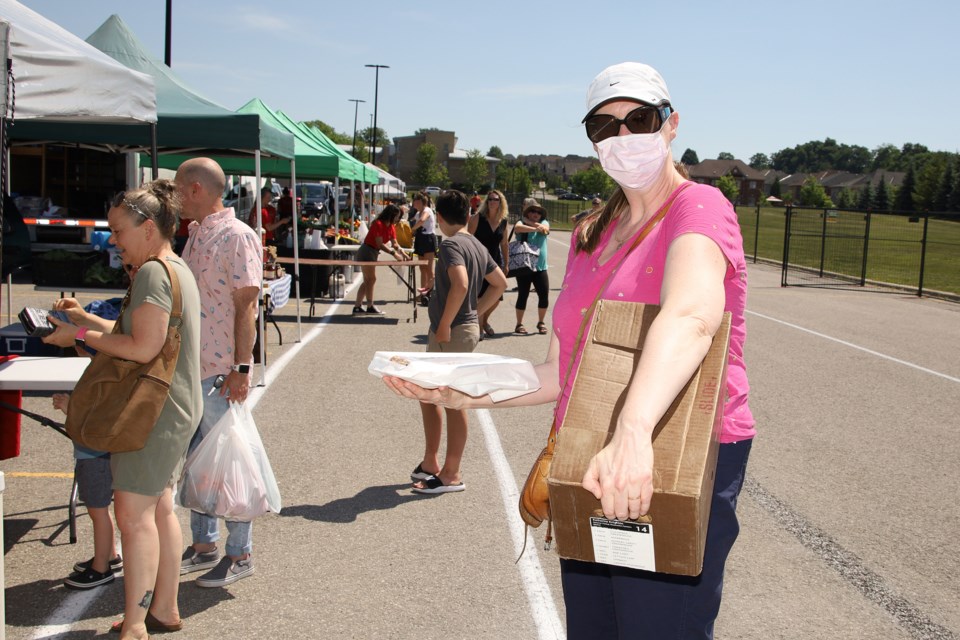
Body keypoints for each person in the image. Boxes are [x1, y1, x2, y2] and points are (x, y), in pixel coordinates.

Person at [383, 61, 754, 639]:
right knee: (595, 628)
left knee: (658, 630)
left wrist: (631, 435)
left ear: (671, 124)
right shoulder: (592, 234)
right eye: (605, 127)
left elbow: (691, 316)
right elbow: (560, 374)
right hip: (590, 454)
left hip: (668, 451)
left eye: (640, 119)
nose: (624, 137)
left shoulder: (698, 207)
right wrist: (457, 385)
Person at [43, 180, 202, 639]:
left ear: (148, 228)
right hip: (171, 410)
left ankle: (135, 625)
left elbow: (142, 345)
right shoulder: (175, 267)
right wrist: (87, 322)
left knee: (133, 519)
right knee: (159, 512)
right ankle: (163, 610)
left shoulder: (153, 272)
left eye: (118, 231)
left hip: (150, 413)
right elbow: (139, 332)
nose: (114, 241)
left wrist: (76, 337)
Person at [175, 157, 263, 588]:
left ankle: (240, 551)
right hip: (195, 368)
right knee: (199, 462)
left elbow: (247, 304)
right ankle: (204, 542)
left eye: (177, 188)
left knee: (232, 463)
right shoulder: (194, 235)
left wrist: (241, 368)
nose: (174, 198)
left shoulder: (237, 236)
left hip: (219, 371)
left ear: (196, 189)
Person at [409, 189, 507, 494]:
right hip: (460, 328)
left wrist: (447, 324)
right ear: (468, 215)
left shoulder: (451, 243)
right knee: (428, 394)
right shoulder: (475, 243)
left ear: (438, 217)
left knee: (452, 400)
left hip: (450, 332)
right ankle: (431, 461)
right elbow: (500, 284)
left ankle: (450, 473)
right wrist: (475, 314)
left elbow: (462, 283)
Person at [53, 392, 122, 590]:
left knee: (98, 512)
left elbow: (93, 422)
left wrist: (70, 411)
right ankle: (109, 556)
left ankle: (101, 569)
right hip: (95, 454)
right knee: (100, 511)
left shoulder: (101, 381)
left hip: (94, 454)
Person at [352, 204, 411, 315]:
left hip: (373, 253)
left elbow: (395, 244)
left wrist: (404, 253)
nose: (398, 219)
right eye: (397, 216)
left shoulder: (391, 227)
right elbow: (380, 244)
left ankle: (357, 306)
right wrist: (394, 255)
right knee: (371, 279)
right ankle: (370, 306)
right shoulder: (378, 224)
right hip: (367, 251)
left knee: (368, 280)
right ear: (391, 215)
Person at [467, 189, 510, 339]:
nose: (492, 202)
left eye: (496, 199)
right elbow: (468, 240)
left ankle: (484, 321)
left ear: (500, 202)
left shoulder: (503, 221)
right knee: (480, 295)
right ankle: (478, 328)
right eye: (490, 199)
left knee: (496, 297)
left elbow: (504, 244)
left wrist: (506, 264)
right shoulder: (477, 218)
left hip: (495, 261)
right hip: (478, 261)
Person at [511, 198, 551, 335]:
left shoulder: (544, 222)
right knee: (523, 295)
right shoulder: (521, 222)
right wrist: (533, 226)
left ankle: (541, 322)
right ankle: (519, 324)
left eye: (538, 212)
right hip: (524, 266)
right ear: (528, 213)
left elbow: (545, 230)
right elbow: (517, 228)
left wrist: (535, 225)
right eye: (532, 211)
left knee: (544, 295)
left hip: (540, 267)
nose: (535, 214)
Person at [409, 191, 438, 293]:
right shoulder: (418, 213)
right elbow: (414, 219)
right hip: (420, 239)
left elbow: (422, 220)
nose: (414, 203)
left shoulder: (427, 210)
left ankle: (431, 292)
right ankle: (423, 292)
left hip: (428, 239)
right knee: (422, 268)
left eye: (416, 201)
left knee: (429, 268)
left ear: (421, 202)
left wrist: (412, 229)